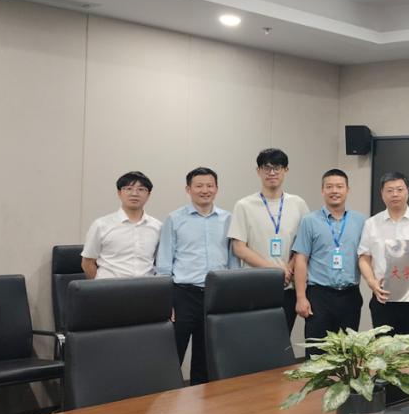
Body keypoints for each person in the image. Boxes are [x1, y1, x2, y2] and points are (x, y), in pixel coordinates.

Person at [155, 167, 231, 385]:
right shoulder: (175, 218)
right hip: (183, 295)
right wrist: (165, 300)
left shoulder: (227, 219)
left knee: (206, 356)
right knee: (172, 351)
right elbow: (164, 262)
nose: (204, 190)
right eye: (199, 186)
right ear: (188, 189)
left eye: (209, 186)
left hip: (215, 295)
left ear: (216, 189)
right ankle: (164, 397)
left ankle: (202, 400)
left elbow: (233, 260)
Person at [227, 148, 309, 335]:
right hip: (255, 285)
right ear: (258, 171)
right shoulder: (244, 205)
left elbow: (303, 246)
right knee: (254, 338)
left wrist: (288, 269)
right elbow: (239, 248)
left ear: (286, 170)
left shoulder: (298, 204)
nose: (272, 173)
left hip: (288, 287)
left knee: (282, 338)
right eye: (266, 168)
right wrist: (273, 270)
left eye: (277, 167)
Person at [293, 169, 366, 351]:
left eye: (339, 186)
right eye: (329, 186)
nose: (335, 191)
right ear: (322, 190)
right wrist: (301, 297)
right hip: (319, 296)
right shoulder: (309, 221)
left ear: (347, 190)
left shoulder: (360, 221)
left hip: (350, 295)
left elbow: (366, 257)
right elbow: (301, 260)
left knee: (347, 352)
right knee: (317, 351)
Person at [358, 172, 409, 335]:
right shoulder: (371, 224)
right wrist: (372, 282)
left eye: (399, 189)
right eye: (390, 190)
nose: (395, 194)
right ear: (382, 194)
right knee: (384, 347)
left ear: (407, 191)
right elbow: (364, 257)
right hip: (383, 298)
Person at [81, 171, 161, 279]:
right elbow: (87, 262)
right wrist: (99, 286)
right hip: (109, 286)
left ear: (148, 195)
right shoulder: (101, 225)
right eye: (128, 188)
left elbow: (160, 261)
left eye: (141, 189)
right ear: (119, 193)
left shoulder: (158, 227)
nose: (134, 193)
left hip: (146, 286)